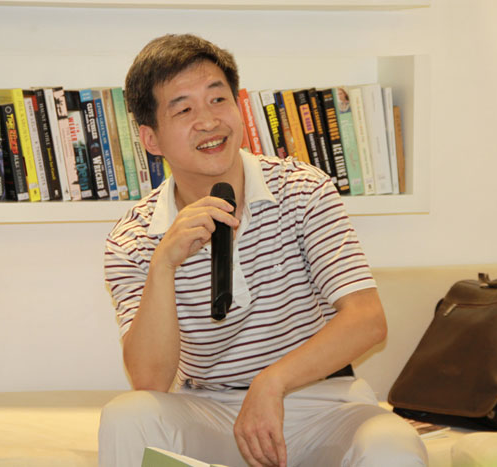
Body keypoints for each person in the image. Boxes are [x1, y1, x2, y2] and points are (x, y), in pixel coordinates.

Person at [99, 33, 427, 467]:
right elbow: (150, 379)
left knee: (393, 446)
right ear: (151, 139)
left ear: (238, 107)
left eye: (218, 99)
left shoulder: (303, 190)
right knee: (127, 417)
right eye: (183, 109)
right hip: (210, 409)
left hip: (323, 402)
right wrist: (164, 265)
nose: (208, 121)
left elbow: (367, 321)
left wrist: (272, 382)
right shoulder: (133, 238)